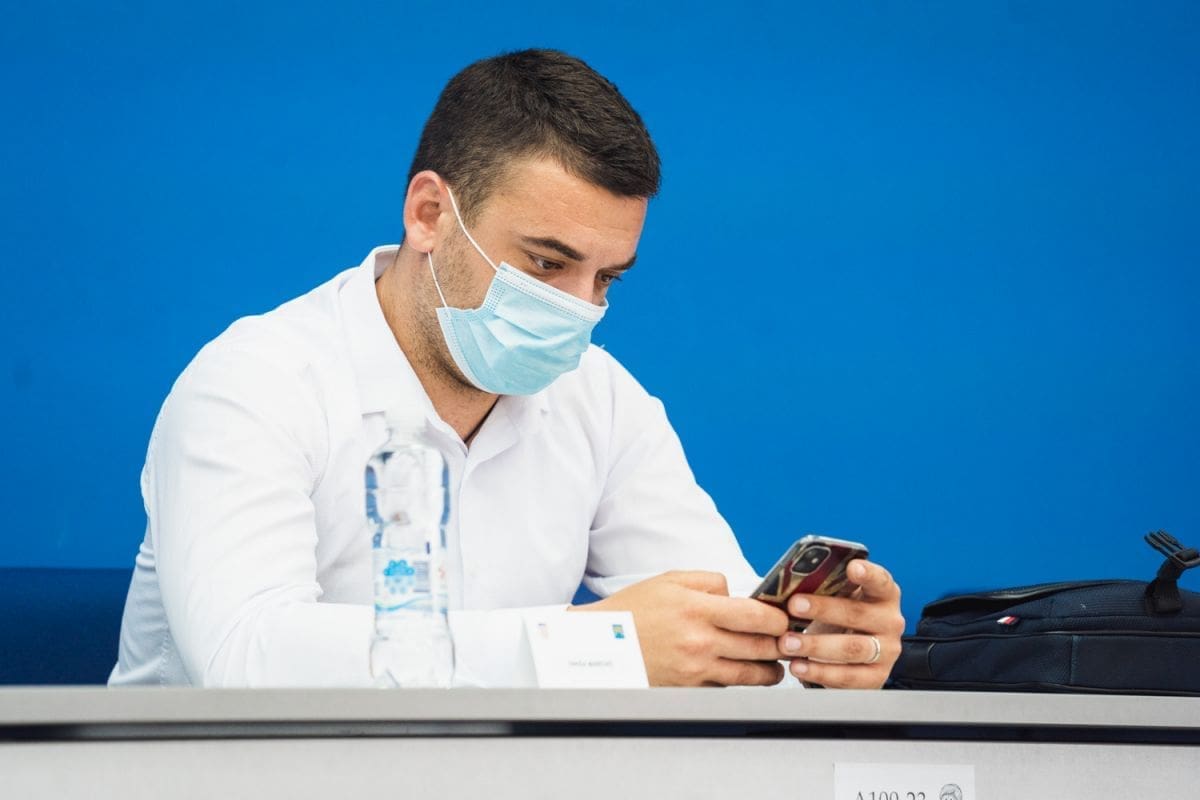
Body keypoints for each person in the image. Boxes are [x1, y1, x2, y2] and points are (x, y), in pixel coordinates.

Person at [110, 49, 904, 689]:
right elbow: (246, 657)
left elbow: (716, 639)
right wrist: (593, 649)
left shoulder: (601, 400)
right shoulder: (251, 384)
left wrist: (816, 655)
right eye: (546, 263)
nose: (579, 310)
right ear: (429, 215)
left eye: (606, 278)